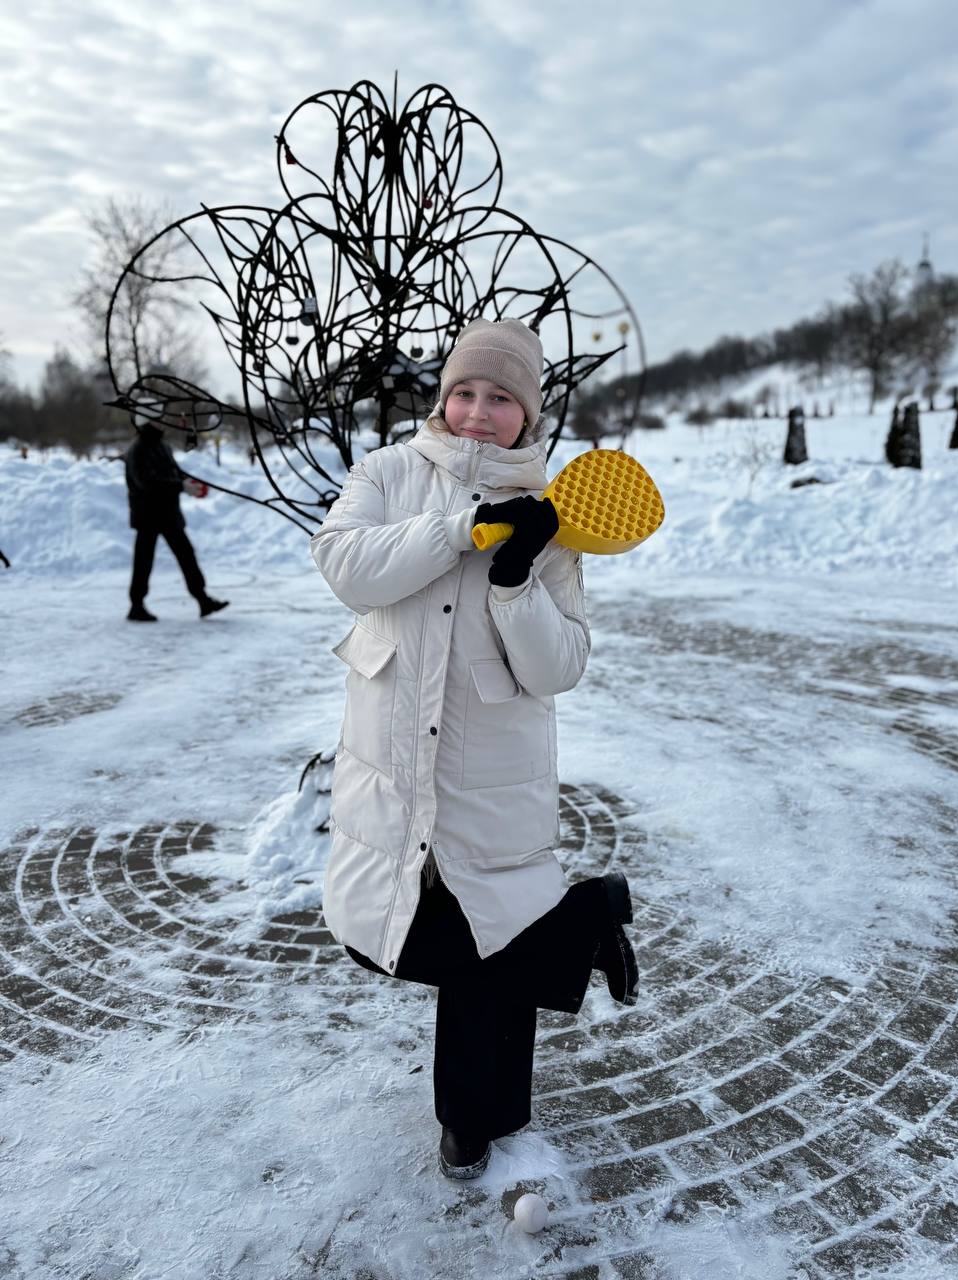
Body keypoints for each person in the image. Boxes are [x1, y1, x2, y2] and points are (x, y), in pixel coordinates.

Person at [310, 318, 639, 1180]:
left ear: (527, 416)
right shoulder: (387, 473)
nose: (478, 413)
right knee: (378, 930)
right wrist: (461, 532)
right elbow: (345, 566)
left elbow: (559, 665)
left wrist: (516, 578)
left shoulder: (556, 516)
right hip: (392, 758)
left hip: (491, 767)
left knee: (487, 947)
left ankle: (475, 1124)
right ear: (442, 397)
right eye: (465, 392)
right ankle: (583, 927)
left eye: (501, 399)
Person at [123, 420, 228, 622]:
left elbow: (174, 472)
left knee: (186, 555)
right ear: (149, 422)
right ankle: (136, 605)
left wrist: (189, 483)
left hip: (168, 513)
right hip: (147, 515)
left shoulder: (162, 445)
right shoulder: (138, 449)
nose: (164, 423)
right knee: (143, 561)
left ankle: (202, 599)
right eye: (158, 420)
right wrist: (180, 486)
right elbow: (146, 483)